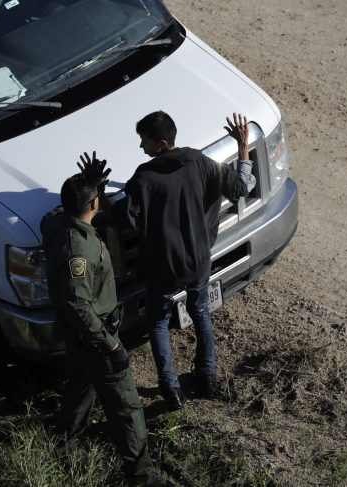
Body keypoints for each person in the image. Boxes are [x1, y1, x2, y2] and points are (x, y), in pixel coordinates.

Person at [102, 111, 256, 411]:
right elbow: (240, 188)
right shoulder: (201, 163)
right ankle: (207, 375)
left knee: (157, 323)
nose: (141, 147)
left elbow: (122, 220)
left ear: (161, 143)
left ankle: (170, 389)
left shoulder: (144, 179)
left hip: (162, 269)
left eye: (144, 141)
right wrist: (242, 146)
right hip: (199, 262)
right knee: (200, 311)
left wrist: (99, 191)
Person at [41, 173, 163, 486]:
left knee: (81, 391)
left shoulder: (58, 225)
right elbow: (78, 304)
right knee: (126, 406)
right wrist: (110, 345)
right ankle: (142, 475)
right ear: (95, 203)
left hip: (80, 338)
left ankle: (62, 447)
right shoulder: (77, 248)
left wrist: (92, 186)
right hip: (95, 337)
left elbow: (52, 215)